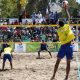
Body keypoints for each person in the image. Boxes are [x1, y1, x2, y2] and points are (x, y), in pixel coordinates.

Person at [50, 5, 75, 80]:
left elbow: (57, 39)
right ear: (64, 24)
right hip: (70, 46)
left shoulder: (58, 31)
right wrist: (66, 9)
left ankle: (53, 76)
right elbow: (69, 17)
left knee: (57, 62)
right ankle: (66, 77)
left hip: (63, 47)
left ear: (59, 25)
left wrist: (55, 39)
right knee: (68, 63)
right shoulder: (67, 26)